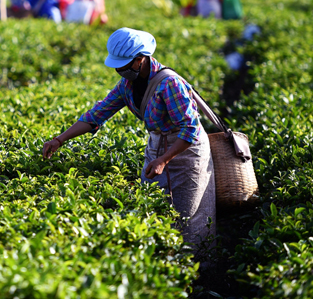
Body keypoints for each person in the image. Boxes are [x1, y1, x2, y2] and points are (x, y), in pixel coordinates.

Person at [42, 28, 216, 249]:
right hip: (157, 146)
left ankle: (196, 270)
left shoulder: (169, 84)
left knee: (187, 217)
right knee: (154, 210)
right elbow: (97, 114)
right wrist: (60, 140)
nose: (119, 70)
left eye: (123, 65)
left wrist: (164, 159)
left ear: (140, 60)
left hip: (185, 151)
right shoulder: (127, 85)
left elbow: (189, 128)